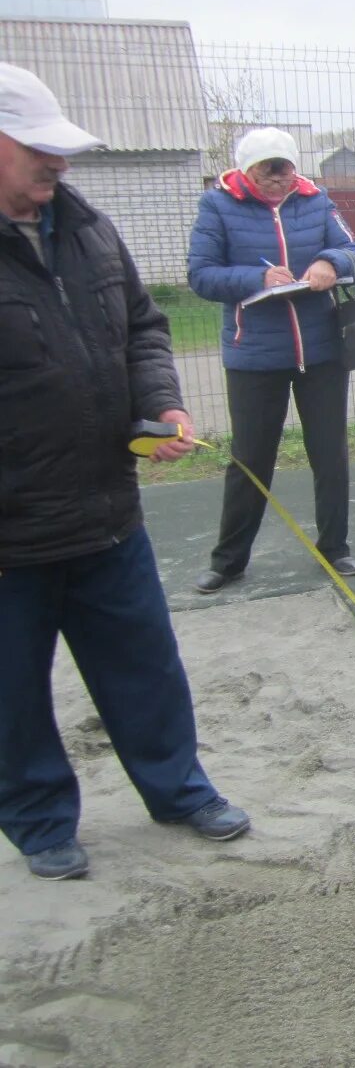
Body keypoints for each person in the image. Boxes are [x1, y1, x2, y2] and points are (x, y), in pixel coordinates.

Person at [0, 63, 250, 881]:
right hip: (10, 534)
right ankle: (40, 821)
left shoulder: (89, 229)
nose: (57, 164)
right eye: (39, 149)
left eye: (59, 149)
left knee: (144, 663)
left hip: (107, 510)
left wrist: (163, 405)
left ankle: (178, 789)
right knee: (12, 695)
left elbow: (143, 328)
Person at [187, 127, 355, 594]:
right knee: (250, 459)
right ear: (247, 170)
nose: (281, 178)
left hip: (322, 352)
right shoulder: (218, 205)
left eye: (287, 168)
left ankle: (335, 548)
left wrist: (332, 263)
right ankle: (228, 561)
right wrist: (258, 278)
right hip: (254, 356)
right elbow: (202, 275)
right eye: (270, 169)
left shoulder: (316, 199)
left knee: (330, 454)